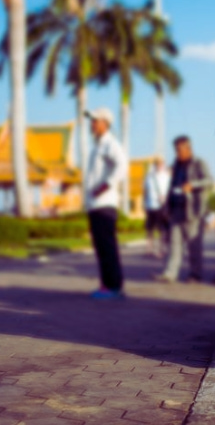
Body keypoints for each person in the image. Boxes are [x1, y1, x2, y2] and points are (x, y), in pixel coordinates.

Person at [84, 107, 128, 300]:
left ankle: (114, 286)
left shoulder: (110, 143)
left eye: (95, 121)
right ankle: (106, 284)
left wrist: (105, 185)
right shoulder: (98, 145)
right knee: (101, 247)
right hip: (95, 204)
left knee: (107, 247)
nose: (92, 124)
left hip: (105, 204)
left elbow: (122, 166)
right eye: (91, 120)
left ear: (105, 123)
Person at [157, 136, 213, 283]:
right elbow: (172, 186)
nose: (177, 153)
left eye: (179, 150)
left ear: (188, 149)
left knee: (194, 246)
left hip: (192, 211)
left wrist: (192, 185)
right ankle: (170, 274)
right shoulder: (176, 165)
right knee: (174, 244)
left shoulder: (199, 163)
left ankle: (196, 274)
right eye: (176, 150)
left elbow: (209, 180)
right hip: (176, 210)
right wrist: (167, 207)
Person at [143, 156, 170, 258]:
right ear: (154, 165)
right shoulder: (149, 177)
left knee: (161, 229)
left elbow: (170, 190)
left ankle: (161, 249)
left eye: (161, 163)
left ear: (163, 164)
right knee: (149, 229)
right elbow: (145, 191)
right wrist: (144, 204)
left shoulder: (166, 177)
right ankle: (149, 250)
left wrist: (165, 197)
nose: (159, 165)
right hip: (150, 206)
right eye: (157, 163)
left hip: (161, 206)